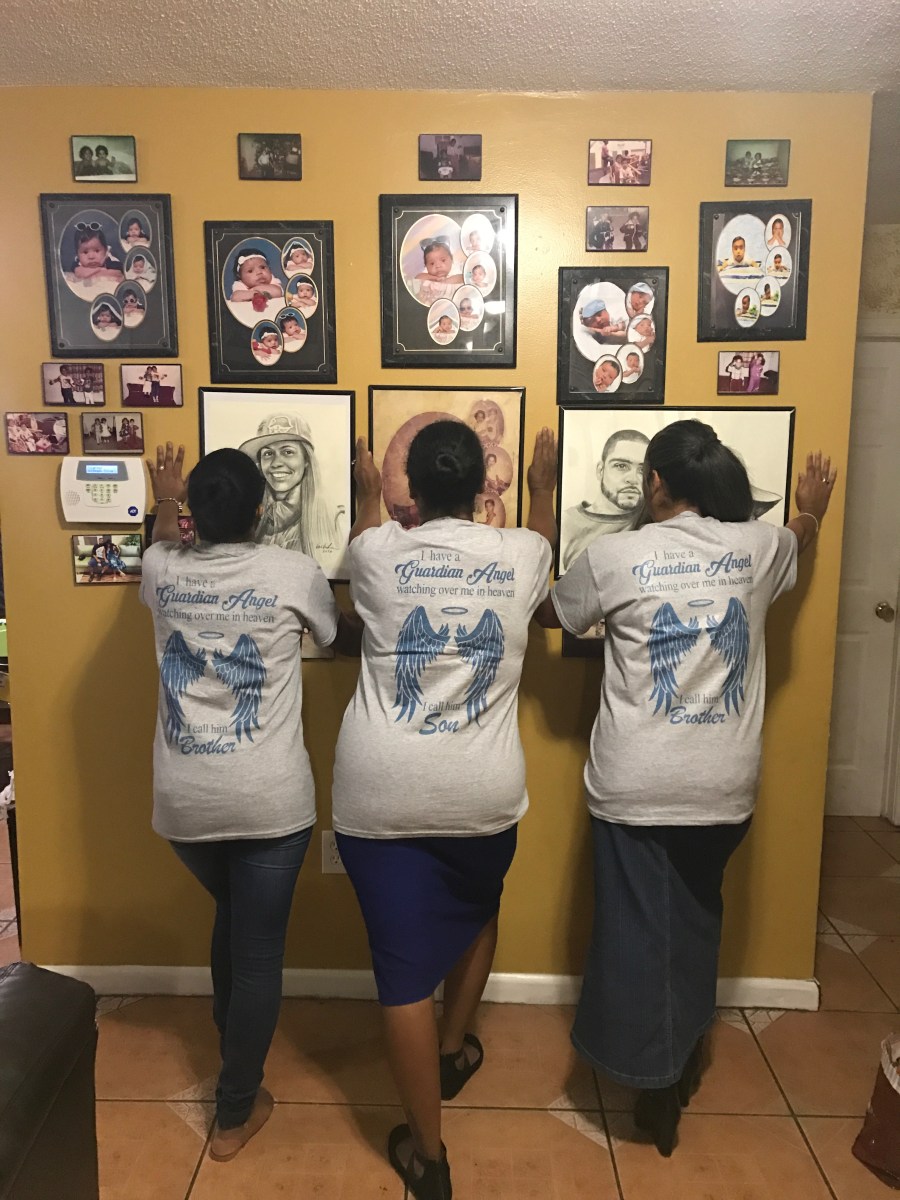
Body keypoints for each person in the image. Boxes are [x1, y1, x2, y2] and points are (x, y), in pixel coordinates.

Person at [537, 423, 837, 1158]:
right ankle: (683, 1052)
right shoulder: (758, 547)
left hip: (636, 784)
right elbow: (798, 536)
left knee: (635, 934)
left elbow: (552, 613)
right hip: (723, 785)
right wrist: (812, 508)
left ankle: (655, 1079)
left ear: (656, 483)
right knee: (696, 919)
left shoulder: (614, 555)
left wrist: (542, 498)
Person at [331, 424, 557, 1200]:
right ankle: (453, 1050)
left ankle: (428, 1158)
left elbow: (364, 537)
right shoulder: (523, 553)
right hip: (482, 795)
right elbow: (544, 542)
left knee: (401, 976)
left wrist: (366, 491)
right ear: (483, 485)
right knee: (479, 908)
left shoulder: (375, 551)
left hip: (379, 796)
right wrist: (542, 486)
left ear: (413, 490)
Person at [140, 442, 358, 1163]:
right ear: (262, 511)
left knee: (234, 918)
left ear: (194, 515)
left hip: (185, 806)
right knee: (258, 953)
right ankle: (235, 1110)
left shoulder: (162, 568)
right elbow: (335, 635)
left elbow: (160, 541)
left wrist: (165, 496)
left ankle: (231, 1045)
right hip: (270, 804)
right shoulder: (293, 572)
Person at [238, 413, 341, 560]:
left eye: (287, 452)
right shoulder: (249, 517)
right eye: (268, 453)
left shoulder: (335, 520)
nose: (276, 463)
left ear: (306, 460)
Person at [561, 428, 649, 570]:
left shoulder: (653, 524)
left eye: (642, 470)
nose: (633, 479)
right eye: (621, 466)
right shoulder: (567, 522)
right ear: (600, 470)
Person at [414, 238, 463, 305]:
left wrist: (445, 281)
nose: (438, 266)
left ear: (451, 259)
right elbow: (418, 277)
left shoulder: (455, 269)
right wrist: (435, 278)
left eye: (443, 260)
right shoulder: (427, 274)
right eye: (432, 263)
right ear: (426, 266)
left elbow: (463, 277)